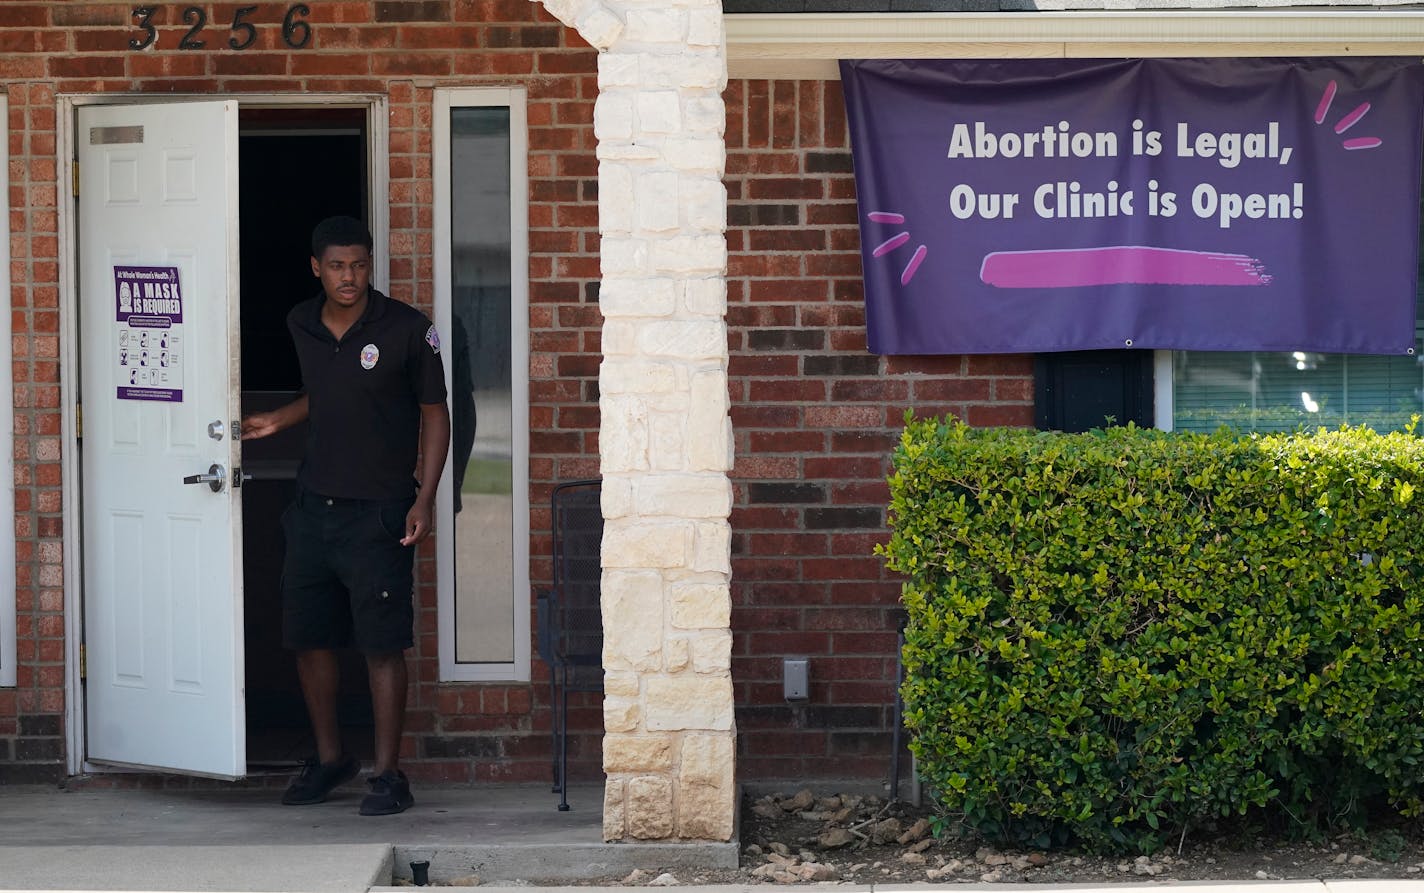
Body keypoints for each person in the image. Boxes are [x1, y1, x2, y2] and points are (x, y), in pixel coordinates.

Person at [241, 215, 450, 816]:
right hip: (312, 510)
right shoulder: (301, 323)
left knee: (382, 646)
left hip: (380, 513)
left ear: (370, 265)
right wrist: (279, 418)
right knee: (311, 640)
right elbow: (330, 390)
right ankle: (331, 760)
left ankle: (388, 774)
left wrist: (424, 496)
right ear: (316, 268)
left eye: (358, 265)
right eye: (336, 266)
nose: (349, 277)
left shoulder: (408, 329)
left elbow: (434, 413)